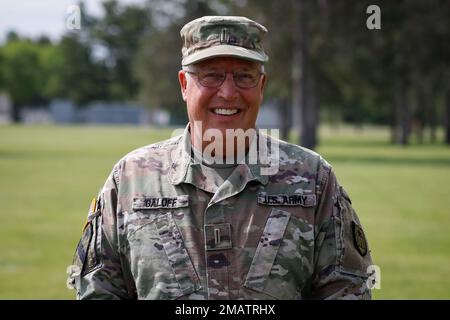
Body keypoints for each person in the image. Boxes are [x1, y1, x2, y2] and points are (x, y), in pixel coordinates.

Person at [67, 15, 374, 300]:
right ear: (184, 85)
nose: (228, 92)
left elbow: (348, 291)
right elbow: (98, 290)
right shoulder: (131, 180)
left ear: (262, 85)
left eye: (244, 76)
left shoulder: (313, 179)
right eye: (211, 76)